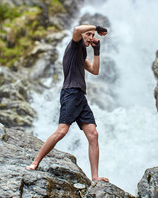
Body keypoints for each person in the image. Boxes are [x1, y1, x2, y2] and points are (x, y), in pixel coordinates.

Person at [26, 24, 109, 182]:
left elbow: (95, 70)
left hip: (80, 97)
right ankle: (35, 162)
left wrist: (96, 51)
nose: (91, 37)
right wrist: (97, 27)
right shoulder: (73, 45)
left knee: (93, 135)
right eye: (89, 34)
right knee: (62, 132)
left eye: (93, 35)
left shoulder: (82, 50)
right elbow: (77, 29)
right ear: (82, 35)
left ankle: (95, 177)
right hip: (70, 93)